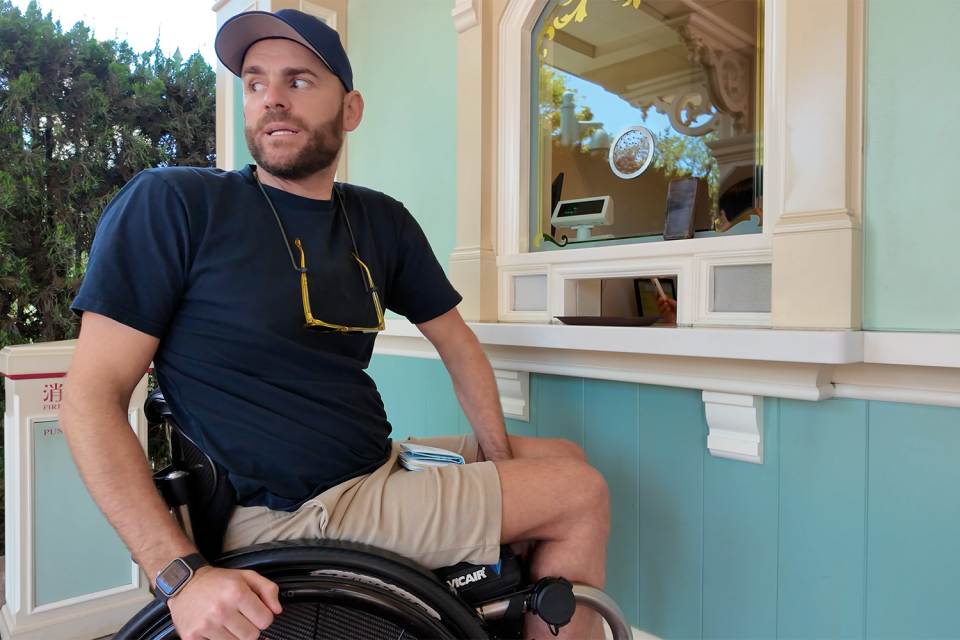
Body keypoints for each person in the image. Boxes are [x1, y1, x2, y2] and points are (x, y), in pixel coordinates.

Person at [59, 9, 610, 640]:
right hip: (296, 513)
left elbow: (457, 345)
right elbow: (90, 397)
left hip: (377, 468)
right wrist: (177, 574)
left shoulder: (381, 220)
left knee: (561, 458)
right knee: (579, 493)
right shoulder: (176, 203)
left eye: (298, 81)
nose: (272, 98)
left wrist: (499, 468)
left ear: (349, 109)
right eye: (255, 81)